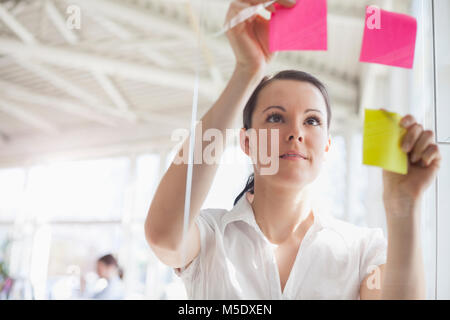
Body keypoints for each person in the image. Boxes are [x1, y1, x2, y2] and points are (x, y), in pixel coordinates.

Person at [144, 0, 442, 299]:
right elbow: (164, 236)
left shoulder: (361, 249)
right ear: (246, 142)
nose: (296, 133)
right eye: (276, 117)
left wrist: (402, 207)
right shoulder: (211, 237)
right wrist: (246, 70)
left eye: (312, 120)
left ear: (326, 147)